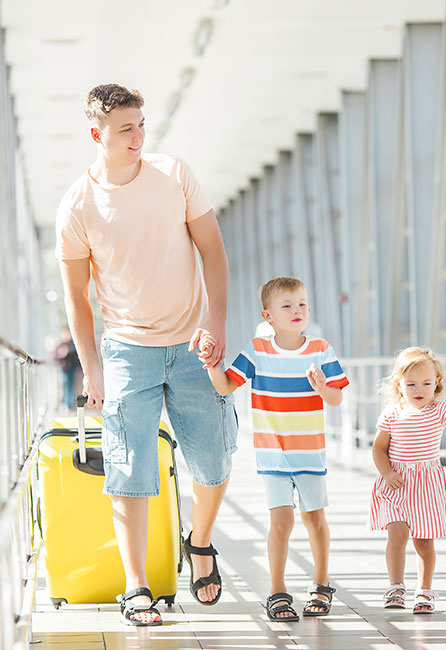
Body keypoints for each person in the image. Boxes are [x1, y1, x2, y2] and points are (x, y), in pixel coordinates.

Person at [56, 84, 237, 626]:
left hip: (191, 346)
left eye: (141, 125)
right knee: (129, 469)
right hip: (127, 351)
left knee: (213, 463)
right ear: (97, 135)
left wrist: (216, 321)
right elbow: (78, 301)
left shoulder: (174, 174)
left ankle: (199, 543)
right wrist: (92, 368)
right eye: (125, 129)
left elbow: (213, 251)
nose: (139, 136)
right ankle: (136, 588)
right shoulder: (78, 205)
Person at [198, 276, 349, 621]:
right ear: (268, 316)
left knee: (314, 519)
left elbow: (337, 398)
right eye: (287, 306)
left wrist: (322, 387)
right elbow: (224, 388)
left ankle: (321, 584)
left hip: (310, 451)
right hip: (273, 454)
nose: (297, 311)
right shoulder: (257, 350)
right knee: (280, 522)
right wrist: (210, 362)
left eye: (302, 305)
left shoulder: (321, 350)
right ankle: (277, 591)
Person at [369, 347, 446, 614]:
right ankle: (396, 587)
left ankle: (424, 591)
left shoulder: (439, 411)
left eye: (426, 383)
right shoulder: (391, 414)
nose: (419, 389)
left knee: (424, 542)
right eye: (411, 383)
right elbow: (378, 448)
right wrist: (387, 472)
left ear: (436, 382)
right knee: (397, 534)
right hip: (397, 483)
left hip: (426, 486)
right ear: (399, 385)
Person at [53, 327, 81, 410]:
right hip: (64, 368)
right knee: (65, 385)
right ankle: (66, 403)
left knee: (70, 385)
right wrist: (61, 354)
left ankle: (69, 404)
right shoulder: (60, 344)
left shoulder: (72, 343)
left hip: (72, 368)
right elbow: (55, 356)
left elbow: (77, 356)